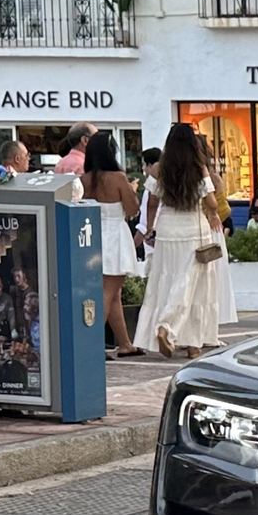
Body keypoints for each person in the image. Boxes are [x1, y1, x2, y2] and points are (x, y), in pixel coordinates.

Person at [134, 122, 226, 357]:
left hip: (167, 232)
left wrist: (151, 230)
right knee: (195, 287)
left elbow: (152, 202)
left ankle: (166, 328)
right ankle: (188, 341)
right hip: (195, 233)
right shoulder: (199, 168)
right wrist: (214, 212)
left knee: (168, 282)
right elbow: (211, 202)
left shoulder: (160, 170)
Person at [83, 130, 145, 356]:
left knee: (113, 292)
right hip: (115, 236)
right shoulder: (118, 177)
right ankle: (89, 343)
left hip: (93, 235)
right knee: (108, 291)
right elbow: (132, 210)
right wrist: (133, 191)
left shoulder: (84, 179)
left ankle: (125, 343)